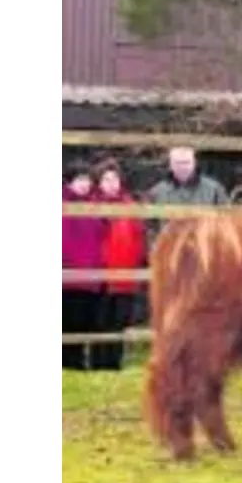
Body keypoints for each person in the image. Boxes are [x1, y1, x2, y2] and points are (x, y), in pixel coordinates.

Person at [90, 159, 146, 371]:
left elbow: (139, 238)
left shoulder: (130, 206)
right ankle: (96, 366)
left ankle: (114, 365)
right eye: (106, 179)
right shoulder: (91, 205)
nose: (111, 183)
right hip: (98, 278)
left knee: (118, 325)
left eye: (114, 178)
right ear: (99, 182)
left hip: (124, 277)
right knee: (98, 325)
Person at [63, 164, 104, 371]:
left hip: (91, 279)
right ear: (70, 181)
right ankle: (68, 365)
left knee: (86, 325)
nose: (84, 184)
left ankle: (79, 364)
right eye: (80, 179)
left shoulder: (94, 206)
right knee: (69, 325)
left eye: (87, 180)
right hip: (68, 279)